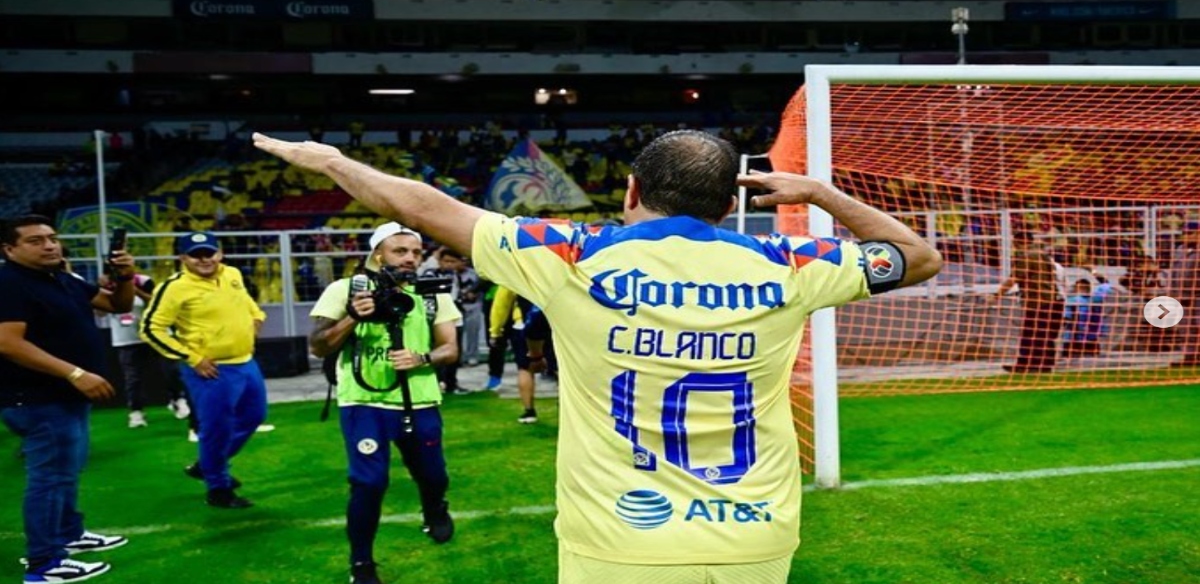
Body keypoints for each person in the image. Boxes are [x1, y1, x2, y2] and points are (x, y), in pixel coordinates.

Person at [252, 128, 942, 584]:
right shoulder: (790, 262)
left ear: (632, 190)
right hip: (753, 538)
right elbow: (917, 257)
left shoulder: (572, 253)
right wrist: (820, 192)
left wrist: (333, 162)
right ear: (730, 202)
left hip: (620, 540)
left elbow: (427, 209)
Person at [308, 222, 462, 584]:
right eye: (400, 251)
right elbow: (317, 346)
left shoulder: (430, 294)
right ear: (378, 254)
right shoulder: (344, 289)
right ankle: (361, 563)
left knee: (434, 475)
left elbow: (450, 349)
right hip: (364, 402)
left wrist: (421, 358)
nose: (410, 258)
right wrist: (353, 316)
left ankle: (434, 508)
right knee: (369, 483)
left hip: (420, 400)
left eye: (416, 252)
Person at [0, 215, 137, 583]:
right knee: (50, 478)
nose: (49, 245)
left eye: (52, 238)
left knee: (66, 471)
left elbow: (117, 305)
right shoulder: (9, 283)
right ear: (9, 249)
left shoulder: (62, 278)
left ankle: (69, 535)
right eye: (35, 241)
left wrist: (125, 276)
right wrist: (75, 373)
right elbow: (7, 343)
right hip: (37, 398)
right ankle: (45, 563)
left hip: (64, 397)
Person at [140, 230, 268, 509]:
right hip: (212, 369)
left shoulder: (232, 274)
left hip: (245, 361)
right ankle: (218, 488)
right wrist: (192, 358)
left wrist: (257, 317)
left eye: (209, 253)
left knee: (254, 416)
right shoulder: (174, 287)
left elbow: (248, 303)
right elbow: (150, 328)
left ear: (219, 253)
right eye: (195, 255)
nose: (204, 259)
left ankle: (207, 464)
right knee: (216, 428)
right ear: (183, 258)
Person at [105, 273, 193, 428]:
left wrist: (136, 291)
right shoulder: (108, 286)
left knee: (171, 371)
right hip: (127, 340)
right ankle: (136, 411)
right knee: (133, 378)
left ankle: (178, 399)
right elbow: (100, 310)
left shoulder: (143, 281)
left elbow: (157, 302)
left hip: (157, 336)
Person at [996, 229, 1066, 374]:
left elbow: (1015, 278)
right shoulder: (1043, 255)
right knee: (1045, 335)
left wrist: (997, 295)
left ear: (1019, 242)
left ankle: (1027, 363)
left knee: (1032, 334)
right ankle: (1045, 364)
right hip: (1053, 299)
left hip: (1038, 301)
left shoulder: (1027, 256)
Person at [487, 286, 549, 423]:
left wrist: (495, 331)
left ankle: (529, 411)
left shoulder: (517, 273)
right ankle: (568, 411)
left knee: (525, 368)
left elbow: (502, 302)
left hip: (524, 322)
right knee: (561, 368)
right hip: (554, 321)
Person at [1168, 220, 1200, 368]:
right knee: (1186, 329)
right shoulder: (1180, 250)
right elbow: (1173, 273)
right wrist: (1171, 294)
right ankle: (1190, 356)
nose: (1185, 236)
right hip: (1181, 296)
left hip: (1197, 295)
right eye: (1184, 233)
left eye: (1190, 233)